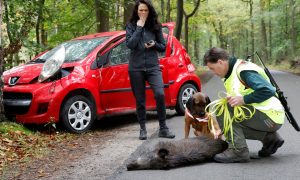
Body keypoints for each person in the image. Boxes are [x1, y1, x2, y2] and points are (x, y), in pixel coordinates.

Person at [203, 47, 285, 163]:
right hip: (266, 117)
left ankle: (238, 151)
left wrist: (243, 99)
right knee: (228, 108)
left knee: (223, 107)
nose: (213, 72)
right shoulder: (230, 73)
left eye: (212, 68)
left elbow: (268, 90)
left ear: (220, 62)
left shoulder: (243, 71)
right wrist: (224, 128)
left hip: (270, 117)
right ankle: (270, 139)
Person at [125, 0, 175, 140]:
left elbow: (162, 46)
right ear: (136, 11)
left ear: (149, 11)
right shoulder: (131, 26)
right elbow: (130, 44)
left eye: (145, 10)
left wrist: (154, 44)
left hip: (153, 66)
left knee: (160, 94)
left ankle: (163, 128)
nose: (143, 13)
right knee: (140, 100)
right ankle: (142, 129)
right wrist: (139, 28)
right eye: (140, 10)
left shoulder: (156, 26)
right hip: (136, 68)